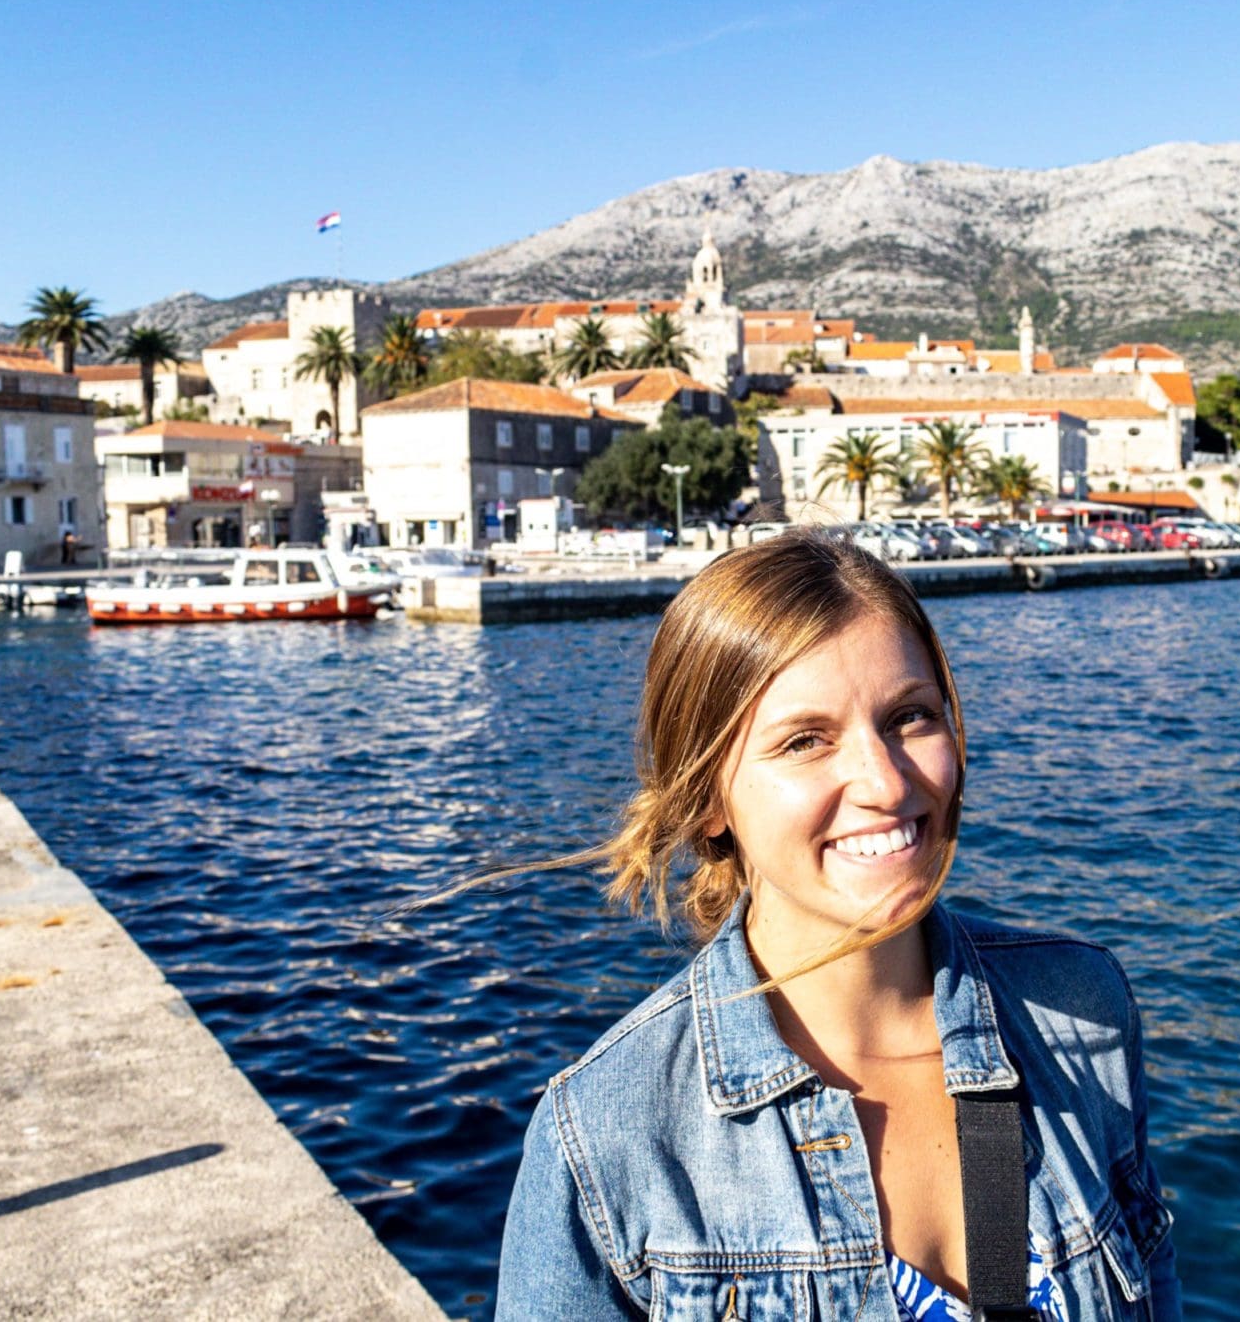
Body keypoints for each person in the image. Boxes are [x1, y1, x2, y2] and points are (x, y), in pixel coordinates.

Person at [495, 529, 1178, 1320]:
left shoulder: (1079, 1009)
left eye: (911, 717)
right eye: (805, 741)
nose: (886, 783)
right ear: (709, 800)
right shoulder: (607, 1135)